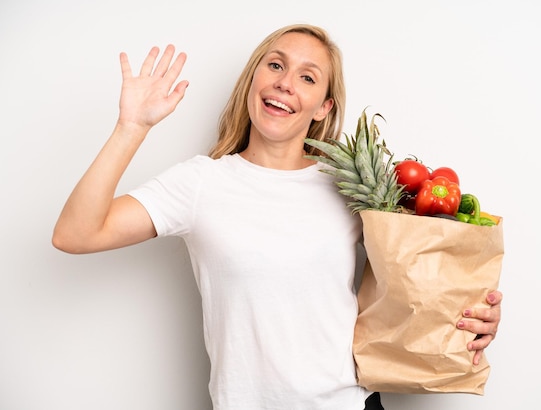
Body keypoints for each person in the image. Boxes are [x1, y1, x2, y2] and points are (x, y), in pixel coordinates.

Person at [52, 24, 502, 410]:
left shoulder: (349, 185)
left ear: (323, 106)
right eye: (275, 65)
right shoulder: (200, 183)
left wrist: (470, 317)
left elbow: (422, 278)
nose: (286, 82)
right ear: (254, 80)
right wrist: (131, 128)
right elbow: (76, 233)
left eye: (308, 77)